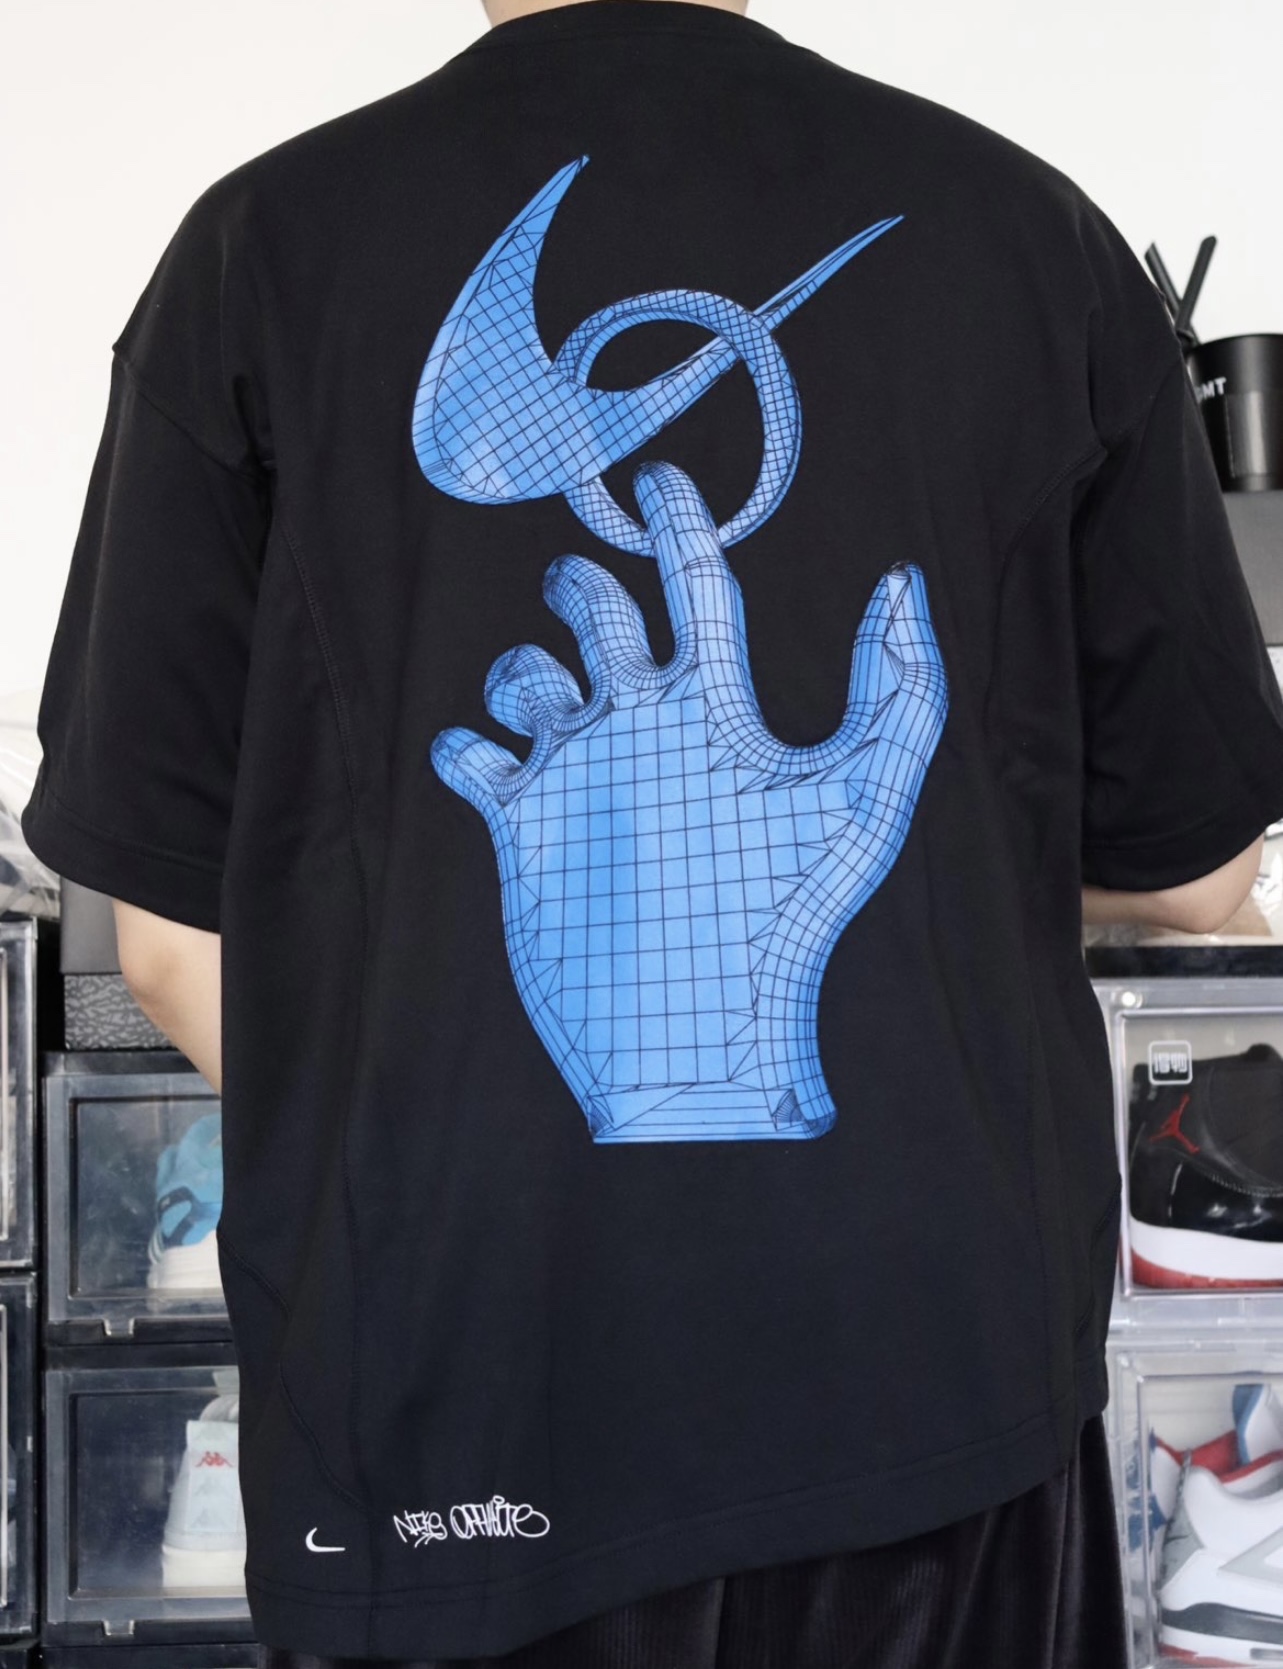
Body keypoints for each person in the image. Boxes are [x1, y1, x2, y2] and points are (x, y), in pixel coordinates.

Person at [21, 0, 1283, 1663]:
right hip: (927, 1401)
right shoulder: (1036, 240)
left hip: (456, 1422)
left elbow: (170, 944)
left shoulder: (256, 256)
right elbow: (1200, 873)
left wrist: (541, 1086)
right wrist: (909, 866)